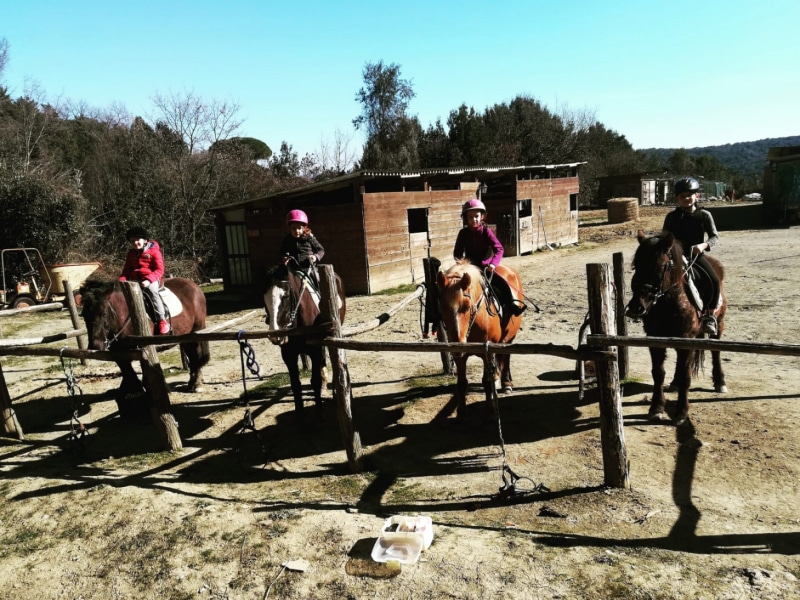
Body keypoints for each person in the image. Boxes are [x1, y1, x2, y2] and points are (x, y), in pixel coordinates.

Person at [662, 177, 721, 336]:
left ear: (697, 196)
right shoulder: (671, 217)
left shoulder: (705, 215)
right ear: (677, 199)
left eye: (690, 195)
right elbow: (665, 237)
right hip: (675, 256)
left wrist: (703, 245)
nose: (686, 198)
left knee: (713, 281)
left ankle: (709, 316)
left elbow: (714, 237)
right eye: (682, 196)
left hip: (695, 255)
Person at [453, 199, 525, 317]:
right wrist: (462, 264)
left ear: (482, 216)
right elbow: (457, 253)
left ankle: (511, 304)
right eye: (470, 217)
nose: (473, 219)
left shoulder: (486, 231)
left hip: (485, 267)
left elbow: (499, 249)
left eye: (476, 216)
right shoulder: (463, 233)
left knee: (501, 283)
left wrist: (493, 264)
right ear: (466, 218)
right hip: (469, 267)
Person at [119, 226, 170, 335]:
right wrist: (121, 280)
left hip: (151, 279)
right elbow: (126, 271)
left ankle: (162, 320)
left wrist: (148, 280)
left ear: (145, 240)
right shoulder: (131, 254)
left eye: (138, 240)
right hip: (134, 281)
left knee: (152, 292)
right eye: (132, 241)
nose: (135, 242)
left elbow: (159, 270)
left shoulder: (154, 252)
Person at [279, 209, 325, 284]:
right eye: (294, 228)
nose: (297, 231)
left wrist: (315, 257)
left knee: (319, 281)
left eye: (299, 228)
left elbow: (321, 250)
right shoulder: (287, 240)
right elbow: (282, 251)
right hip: (293, 269)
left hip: (308, 268)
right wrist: (284, 257)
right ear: (289, 228)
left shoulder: (309, 238)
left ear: (304, 228)